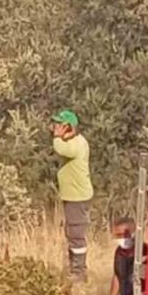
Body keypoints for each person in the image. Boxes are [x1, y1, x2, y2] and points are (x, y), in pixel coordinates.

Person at [51, 109, 94, 282]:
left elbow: (60, 148)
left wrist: (56, 136)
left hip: (77, 196)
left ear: (68, 127)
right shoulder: (76, 141)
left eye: (58, 125)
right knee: (71, 231)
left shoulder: (75, 144)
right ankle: (75, 269)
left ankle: (79, 272)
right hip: (73, 195)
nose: (54, 128)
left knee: (76, 232)